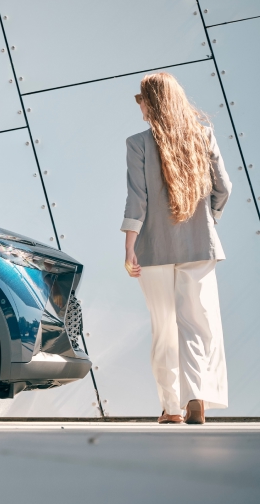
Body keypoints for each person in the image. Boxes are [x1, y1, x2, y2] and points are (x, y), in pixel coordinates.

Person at [122, 72, 231, 425]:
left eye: (141, 99)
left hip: (153, 249)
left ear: (151, 103)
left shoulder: (138, 143)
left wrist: (129, 248)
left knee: (164, 327)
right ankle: (196, 398)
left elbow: (137, 201)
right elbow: (223, 187)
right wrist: (208, 221)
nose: (139, 106)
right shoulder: (203, 135)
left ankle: (171, 408)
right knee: (197, 325)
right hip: (200, 247)